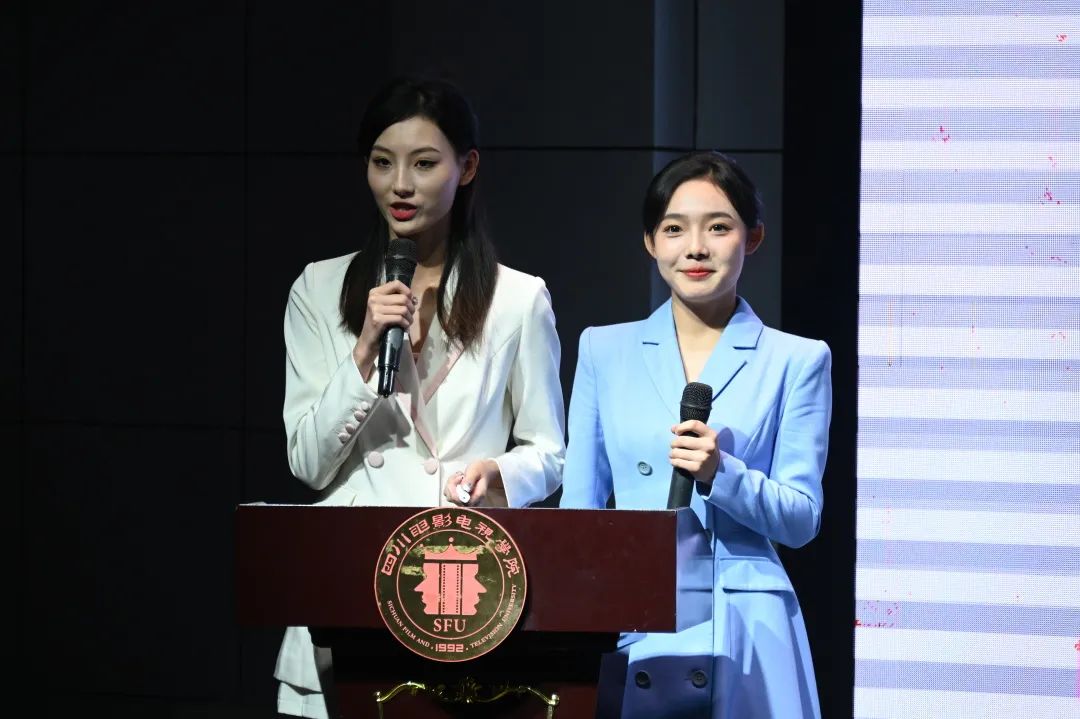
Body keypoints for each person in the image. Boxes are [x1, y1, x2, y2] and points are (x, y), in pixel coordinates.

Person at [274, 76, 566, 718]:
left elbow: (547, 451)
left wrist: (500, 474)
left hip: (456, 593)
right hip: (346, 584)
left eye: (424, 163)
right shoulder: (318, 289)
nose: (400, 185)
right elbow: (307, 462)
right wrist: (363, 349)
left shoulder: (518, 300)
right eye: (382, 163)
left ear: (468, 167)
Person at [560, 151, 830, 718]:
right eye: (674, 229)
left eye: (719, 227)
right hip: (635, 619)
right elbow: (577, 517)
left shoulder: (797, 360)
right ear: (650, 242)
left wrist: (721, 473)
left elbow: (801, 518)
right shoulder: (604, 350)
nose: (696, 248)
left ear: (753, 237)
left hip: (746, 629)